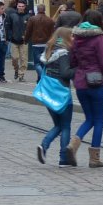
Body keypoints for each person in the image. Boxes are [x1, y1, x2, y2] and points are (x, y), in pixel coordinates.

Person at [65, 10, 103, 168]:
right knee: (98, 120)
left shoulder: (76, 38)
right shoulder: (98, 38)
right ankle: (94, 158)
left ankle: (73, 144)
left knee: (89, 118)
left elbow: (72, 61)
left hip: (81, 83)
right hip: (95, 83)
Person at [37, 27, 76, 167]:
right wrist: (78, 69)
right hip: (62, 92)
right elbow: (66, 73)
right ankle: (63, 159)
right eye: (71, 35)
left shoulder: (49, 50)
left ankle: (44, 146)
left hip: (48, 92)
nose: (73, 38)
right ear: (65, 37)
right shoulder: (63, 53)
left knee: (58, 125)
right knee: (65, 126)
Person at [24, 4, 56, 80]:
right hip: (46, 44)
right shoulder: (50, 20)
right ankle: (40, 79)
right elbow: (53, 32)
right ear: (44, 10)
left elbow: (28, 31)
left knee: (37, 64)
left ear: (37, 10)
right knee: (44, 63)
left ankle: (43, 77)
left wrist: (26, 40)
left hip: (36, 44)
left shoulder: (32, 19)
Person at [7, 0, 31, 81]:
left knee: (24, 59)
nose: (21, 8)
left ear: (25, 7)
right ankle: (16, 70)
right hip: (14, 40)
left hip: (24, 41)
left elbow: (30, 28)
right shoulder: (12, 16)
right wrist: (10, 36)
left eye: (22, 6)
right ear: (17, 6)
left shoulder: (28, 16)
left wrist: (27, 36)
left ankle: (21, 75)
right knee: (14, 58)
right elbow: (8, 27)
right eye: (19, 6)